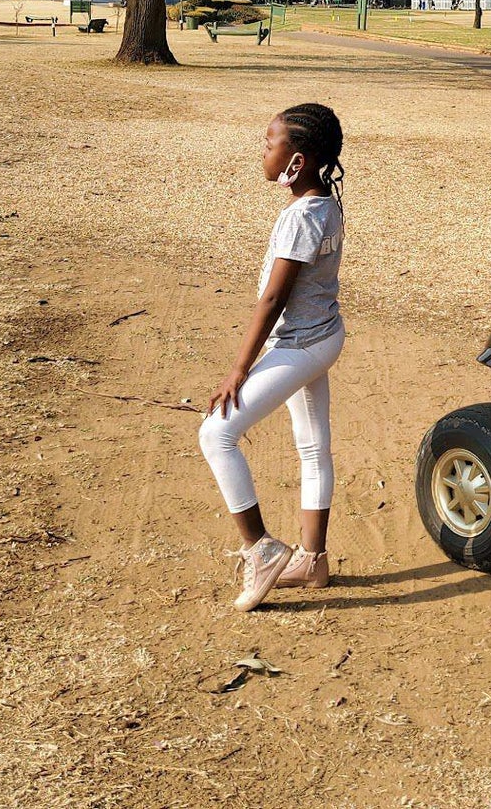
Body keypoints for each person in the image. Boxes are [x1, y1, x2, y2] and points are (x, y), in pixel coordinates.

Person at [198, 102, 347, 611]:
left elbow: (273, 299)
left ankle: (260, 549)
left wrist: (239, 369)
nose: (263, 151)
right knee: (313, 448)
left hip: (300, 344)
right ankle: (313, 560)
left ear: (297, 160)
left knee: (216, 431)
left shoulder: (301, 218)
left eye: (270, 143)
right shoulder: (326, 202)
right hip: (323, 337)